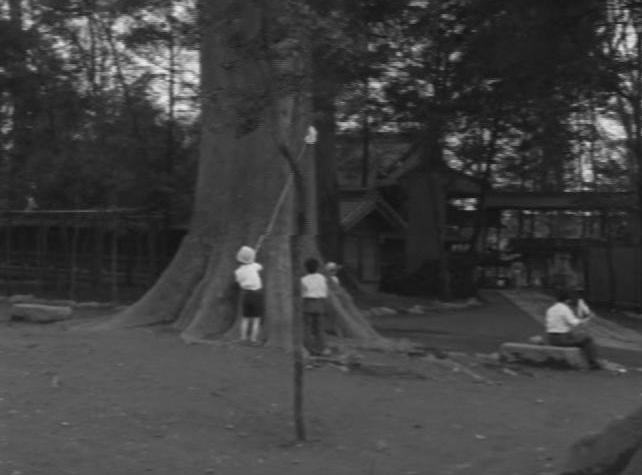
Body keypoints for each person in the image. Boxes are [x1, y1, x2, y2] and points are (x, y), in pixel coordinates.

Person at [545, 289, 601, 369]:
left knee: (578, 336)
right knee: (587, 339)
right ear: (567, 300)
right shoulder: (564, 309)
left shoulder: (550, 309)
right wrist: (588, 318)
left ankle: (588, 359)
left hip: (551, 338)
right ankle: (593, 362)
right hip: (562, 339)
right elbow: (574, 323)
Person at [234, 246, 263, 343]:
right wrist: (253, 261)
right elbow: (260, 267)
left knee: (245, 318)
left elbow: (238, 281)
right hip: (256, 294)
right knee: (256, 319)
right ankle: (253, 339)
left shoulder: (238, 271)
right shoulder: (254, 266)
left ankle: (243, 338)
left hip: (246, 295)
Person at [301, 258, 330, 356]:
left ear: (306, 268)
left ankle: (308, 349)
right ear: (317, 267)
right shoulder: (322, 278)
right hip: (320, 304)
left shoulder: (303, 280)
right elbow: (325, 291)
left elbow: (302, 293)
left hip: (308, 303)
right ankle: (322, 348)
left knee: (307, 328)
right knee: (320, 328)